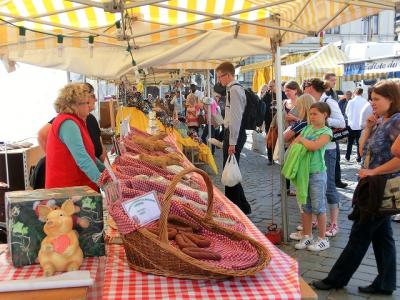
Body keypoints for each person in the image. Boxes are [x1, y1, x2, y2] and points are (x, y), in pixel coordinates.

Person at [313, 79, 400, 295]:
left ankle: (336, 278)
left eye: (376, 99)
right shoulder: (382, 120)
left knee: (359, 235)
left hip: (381, 186)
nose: (372, 103)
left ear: (392, 99)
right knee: (383, 237)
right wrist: (368, 127)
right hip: (372, 185)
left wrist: (373, 172)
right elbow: (363, 150)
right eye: (371, 99)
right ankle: (386, 283)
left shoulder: (397, 121)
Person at [286, 102, 333, 251]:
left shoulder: (326, 132)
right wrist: (301, 141)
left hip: (317, 173)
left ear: (324, 115)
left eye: (315, 114)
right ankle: (307, 236)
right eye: (310, 114)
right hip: (303, 172)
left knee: (318, 207)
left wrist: (302, 141)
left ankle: (322, 238)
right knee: (305, 206)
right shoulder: (307, 128)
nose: (311, 117)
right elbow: (294, 143)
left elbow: (313, 146)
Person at [303, 78, 345, 237]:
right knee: (314, 187)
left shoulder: (328, 101)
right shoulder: (313, 102)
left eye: (306, 87)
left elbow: (341, 122)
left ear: (311, 88)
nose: (304, 90)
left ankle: (334, 223)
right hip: (315, 149)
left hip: (327, 149)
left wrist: (323, 119)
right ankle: (315, 220)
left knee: (329, 186)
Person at [45, 83, 105, 191]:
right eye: (86, 103)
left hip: (76, 188)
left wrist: (106, 171)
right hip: (67, 190)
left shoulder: (77, 121)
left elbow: (88, 155)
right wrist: (104, 183)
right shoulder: (68, 123)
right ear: (75, 105)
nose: (89, 106)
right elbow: (83, 158)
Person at [216, 61, 251, 214]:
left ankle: (238, 207)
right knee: (229, 169)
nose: (219, 81)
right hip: (231, 133)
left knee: (230, 170)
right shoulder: (232, 89)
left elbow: (236, 118)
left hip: (234, 134)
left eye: (220, 77)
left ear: (228, 75)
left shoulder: (234, 90)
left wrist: (232, 142)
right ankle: (239, 206)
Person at [345, 88, 368, 162]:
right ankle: (359, 157)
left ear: (355, 92)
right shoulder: (365, 101)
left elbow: (346, 112)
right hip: (360, 125)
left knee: (350, 142)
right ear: (362, 93)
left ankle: (347, 156)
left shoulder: (351, 101)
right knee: (359, 142)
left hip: (351, 124)